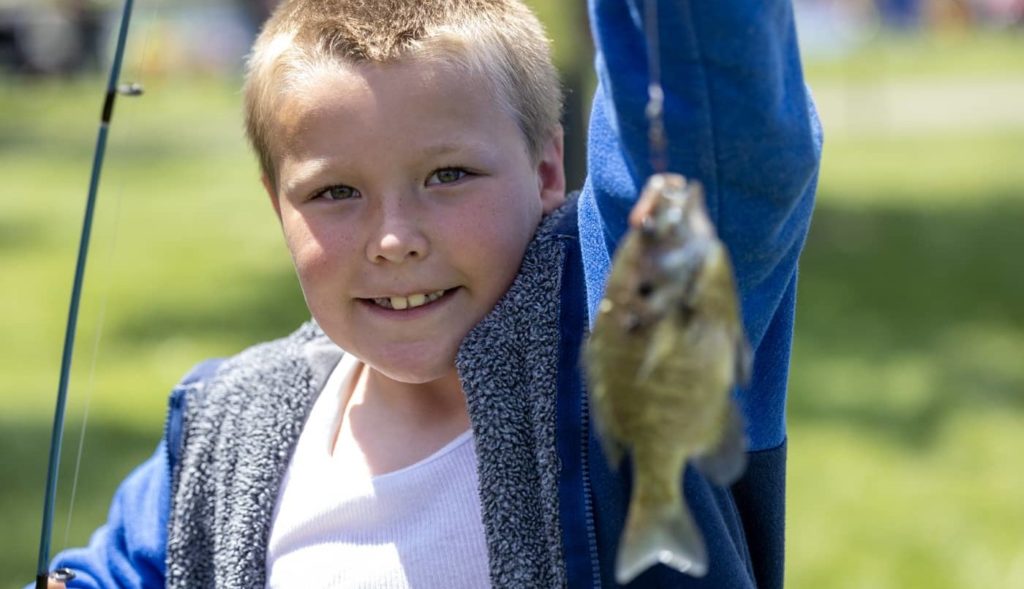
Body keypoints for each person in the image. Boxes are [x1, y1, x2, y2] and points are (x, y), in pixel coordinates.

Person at [39, 0, 821, 587]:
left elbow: (721, 127)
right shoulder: (228, 431)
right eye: (336, 192)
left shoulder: (618, 329)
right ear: (274, 202)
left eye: (449, 176)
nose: (395, 237)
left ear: (550, 170)